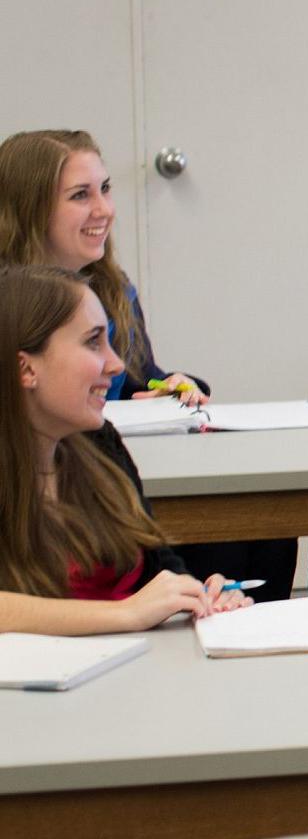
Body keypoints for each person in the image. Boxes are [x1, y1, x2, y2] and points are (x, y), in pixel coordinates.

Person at [0, 129, 291, 601]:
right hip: (55, 482)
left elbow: (134, 375)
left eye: (106, 189)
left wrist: (171, 386)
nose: (104, 210)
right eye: (80, 195)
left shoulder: (110, 288)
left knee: (265, 531)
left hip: (102, 467)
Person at [0, 264, 250, 635]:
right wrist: (128, 614)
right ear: (26, 368)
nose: (116, 365)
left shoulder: (98, 443)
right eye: (92, 342)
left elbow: (155, 561)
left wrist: (193, 593)